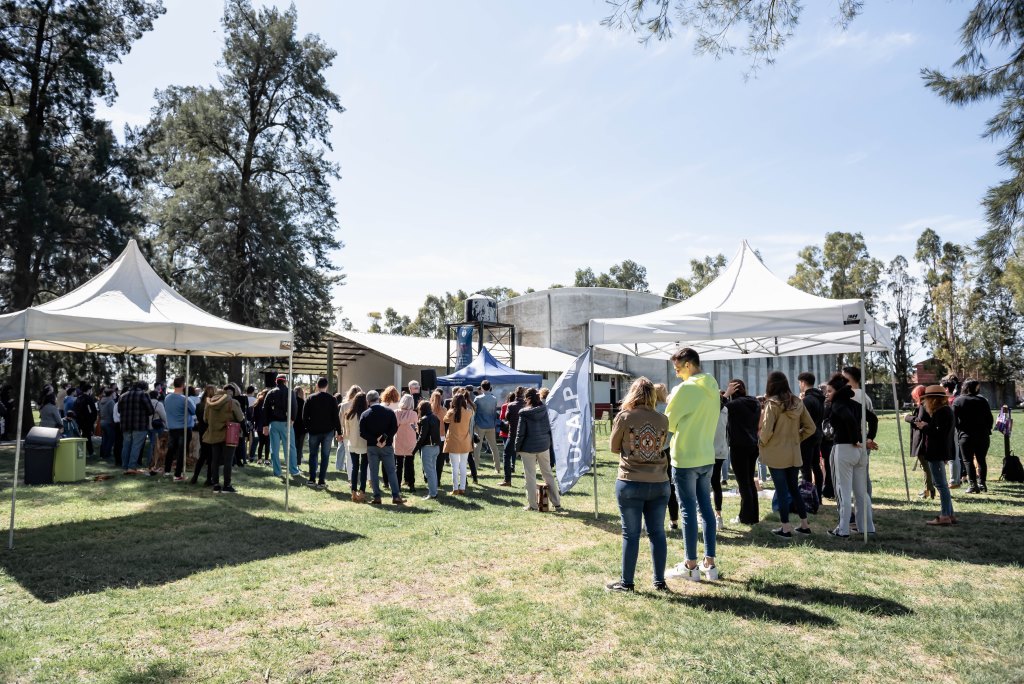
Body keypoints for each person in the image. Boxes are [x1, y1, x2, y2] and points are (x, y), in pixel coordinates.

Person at [605, 377, 670, 593]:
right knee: (657, 533)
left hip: (630, 481)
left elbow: (614, 447)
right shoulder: (663, 419)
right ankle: (659, 581)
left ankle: (627, 583)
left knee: (630, 534)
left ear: (632, 393)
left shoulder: (624, 416)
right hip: (659, 481)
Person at [663, 348, 721, 582]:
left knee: (687, 510)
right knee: (705, 510)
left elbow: (669, 422)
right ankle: (710, 563)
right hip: (706, 455)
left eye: (677, 369)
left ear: (688, 365)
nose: (676, 374)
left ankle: (690, 564)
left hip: (686, 456)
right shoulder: (712, 384)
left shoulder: (685, 389)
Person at [758, 371, 816, 538]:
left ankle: (785, 527)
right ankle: (804, 524)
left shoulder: (772, 404)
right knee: (794, 489)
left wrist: (761, 442)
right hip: (793, 452)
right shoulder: (798, 401)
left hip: (776, 453)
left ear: (771, 384)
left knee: (782, 491)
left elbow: (766, 431)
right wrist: (797, 437)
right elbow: (810, 428)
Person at [824, 373, 877, 538]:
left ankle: (843, 529)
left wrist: (855, 438)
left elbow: (848, 419)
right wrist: (868, 438)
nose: (827, 393)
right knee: (861, 492)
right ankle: (867, 527)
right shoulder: (855, 404)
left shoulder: (837, 405)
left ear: (837, 391)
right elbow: (873, 419)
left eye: (829, 390)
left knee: (843, 492)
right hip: (860, 451)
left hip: (844, 449)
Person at [515, 387, 562, 512]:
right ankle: (557, 503)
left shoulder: (524, 413)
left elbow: (520, 434)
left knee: (530, 476)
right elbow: (550, 428)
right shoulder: (545, 410)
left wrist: (517, 448)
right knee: (548, 474)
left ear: (528, 398)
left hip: (528, 448)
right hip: (543, 446)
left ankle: (532, 505)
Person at [918, 384, 957, 526]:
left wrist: (925, 427)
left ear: (933, 399)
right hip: (940, 451)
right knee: (941, 484)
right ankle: (950, 514)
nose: (925, 402)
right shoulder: (945, 411)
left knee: (941, 485)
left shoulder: (942, 412)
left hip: (937, 452)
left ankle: (945, 515)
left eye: (927, 399)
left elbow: (939, 434)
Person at [723, 379, 760, 525]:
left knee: (743, 484)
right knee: (749, 481)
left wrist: (726, 394)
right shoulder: (755, 402)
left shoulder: (735, 404)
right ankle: (751, 515)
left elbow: (718, 407)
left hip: (739, 446)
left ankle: (747, 518)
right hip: (752, 444)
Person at [359, 390, 405, 505]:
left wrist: (375, 440)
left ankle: (377, 497)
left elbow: (362, 432)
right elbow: (394, 427)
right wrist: (384, 438)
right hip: (387, 446)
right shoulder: (389, 412)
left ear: (368, 401)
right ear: (378, 398)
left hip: (372, 447)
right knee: (391, 471)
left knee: (374, 472)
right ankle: (396, 496)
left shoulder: (365, 414)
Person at [953, 379, 994, 494]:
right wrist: (987, 429)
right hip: (983, 435)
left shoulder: (958, 401)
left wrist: (958, 430)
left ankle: (973, 485)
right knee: (981, 460)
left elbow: (954, 420)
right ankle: (982, 484)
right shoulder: (982, 401)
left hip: (966, 435)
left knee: (968, 461)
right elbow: (989, 419)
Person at [204, 384, 245, 493]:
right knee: (228, 461)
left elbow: (205, 419)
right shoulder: (232, 402)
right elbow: (240, 418)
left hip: (214, 434)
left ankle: (216, 485)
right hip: (229, 434)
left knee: (215, 460)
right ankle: (227, 485)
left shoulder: (209, 403)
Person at [303, 377, 342, 490]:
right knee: (325, 456)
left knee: (313, 454)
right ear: (327, 386)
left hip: (314, 431)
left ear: (317, 385)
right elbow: (336, 417)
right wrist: (339, 432)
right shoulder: (332, 399)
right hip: (327, 432)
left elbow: (304, 416)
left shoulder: (310, 398)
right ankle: (321, 481)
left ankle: (311, 479)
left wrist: (308, 428)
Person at [264, 374, 302, 481]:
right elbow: (294, 406)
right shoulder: (290, 392)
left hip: (273, 423)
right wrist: (292, 418)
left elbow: (265, 409)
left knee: (274, 449)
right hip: (286, 422)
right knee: (290, 448)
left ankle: (277, 471)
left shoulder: (270, 392)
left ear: (276, 381)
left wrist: (265, 425)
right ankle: (293, 470)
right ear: (285, 381)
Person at [654, 384, 679, 532]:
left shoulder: (650, 410)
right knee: (670, 486)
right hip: (669, 449)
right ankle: (674, 520)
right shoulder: (670, 408)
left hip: (652, 451)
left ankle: (655, 520)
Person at [797, 371, 826, 498]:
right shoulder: (820, 398)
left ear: (803, 383)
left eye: (799, 383)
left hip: (807, 436)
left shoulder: (807, 400)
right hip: (817, 435)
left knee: (805, 468)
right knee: (816, 466)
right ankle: (818, 495)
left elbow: (801, 420)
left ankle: (808, 495)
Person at [118, 381, 154, 474]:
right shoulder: (143, 395)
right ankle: (131, 467)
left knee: (126, 446)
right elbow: (150, 410)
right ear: (144, 388)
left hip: (125, 425)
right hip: (140, 424)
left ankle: (125, 466)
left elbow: (119, 410)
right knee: (136, 446)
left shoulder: (123, 395)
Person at [904, 384, 934, 499]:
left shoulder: (923, 404)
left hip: (923, 440)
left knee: (926, 467)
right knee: (926, 467)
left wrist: (907, 417)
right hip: (927, 439)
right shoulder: (929, 403)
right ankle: (928, 489)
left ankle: (929, 489)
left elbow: (919, 420)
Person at [164, 376, 195, 481]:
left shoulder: (167, 398)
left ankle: (167, 471)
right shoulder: (185, 399)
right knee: (182, 452)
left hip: (172, 428)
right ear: (183, 385)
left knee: (171, 450)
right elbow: (193, 411)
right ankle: (177, 474)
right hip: (184, 429)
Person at [444, 392, 475, 496]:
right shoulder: (469, 412)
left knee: (454, 467)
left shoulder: (451, 412)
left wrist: (450, 408)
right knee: (463, 466)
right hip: (465, 442)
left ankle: (455, 488)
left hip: (453, 442)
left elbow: (445, 420)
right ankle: (462, 488)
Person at [412, 400, 441, 499]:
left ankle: (433, 493)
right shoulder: (435, 417)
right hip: (436, 447)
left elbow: (422, 437)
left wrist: (414, 450)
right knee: (432, 470)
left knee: (429, 472)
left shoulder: (424, 419)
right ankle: (434, 491)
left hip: (428, 448)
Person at [343, 392, 369, 502]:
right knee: (363, 468)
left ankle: (353, 491)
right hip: (364, 443)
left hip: (352, 443)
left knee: (355, 467)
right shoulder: (367, 414)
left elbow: (347, 431)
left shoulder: (349, 414)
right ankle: (362, 491)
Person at [473, 380, 501, 473]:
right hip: (491, 425)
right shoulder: (494, 398)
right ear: (490, 387)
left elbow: (474, 412)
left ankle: (475, 468)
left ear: (481, 387)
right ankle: (497, 468)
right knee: (494, 447)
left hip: (480, 425)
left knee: (477, 447)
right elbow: (494, 413)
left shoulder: (477, 398)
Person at [191, 385, 217, 485]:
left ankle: (195, 477)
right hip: (211, 431)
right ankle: (208, 479)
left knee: (203, 455)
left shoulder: (199, 405)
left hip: (202, 431)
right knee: (211, 456)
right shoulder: (213, 405)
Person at [501, 387, 526, 487]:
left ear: (516, 394)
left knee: (506, 455)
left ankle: (507, 480)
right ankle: (528, 482)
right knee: (527, 459)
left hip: (513, 434)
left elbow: (507, 417)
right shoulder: (527, 405)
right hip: (524, 435)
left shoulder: (511, 405)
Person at [393, 393, 419, 492]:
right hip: (410, 440)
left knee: (398, 464)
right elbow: (416, 427)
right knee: (410, 463)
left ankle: (397, 485)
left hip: (399, 439)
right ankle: (411, 484)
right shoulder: (413, 414)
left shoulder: (396, 412)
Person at [73, 384, 98, 458]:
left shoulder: (78, 398)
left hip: (79, 420)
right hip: (87, 421)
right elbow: (92, 410)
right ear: (89, 390)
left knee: (82, 436)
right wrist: (92, 419)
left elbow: (75, 409)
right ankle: (90, 451)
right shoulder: (88, 398)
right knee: (87, 436)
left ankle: (83, 451)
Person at [430, 389, 449, 482]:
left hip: (431, 436)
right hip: (441, 435)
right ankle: (438, 478)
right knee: (440, 459)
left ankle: (429, 477)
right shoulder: (444, 410)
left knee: (430, 459)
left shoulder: (429, 409)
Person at [251, 389, 270, 465]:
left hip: (259, 425)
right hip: (267, 425)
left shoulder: (258, 402)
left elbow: (254, 416)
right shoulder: (268, 403)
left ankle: (259, 459)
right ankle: (266, 459)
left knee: (261, 443)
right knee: (267, 443)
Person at [98, 388, 116, 461]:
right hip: (109, 422)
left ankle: (102, 454)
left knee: (104, 439)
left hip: (102, 421)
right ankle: (107, 454)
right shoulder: (111, 402)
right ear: (111, 394)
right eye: (114, 393)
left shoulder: (101, 401)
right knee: (110, 439)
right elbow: (112, 413)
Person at [294, 387, 307, 467]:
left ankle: (293, 462)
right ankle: (298, 463)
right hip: (302, 427)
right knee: (299, 446)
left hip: (294, 426)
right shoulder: (303, 402)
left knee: (293, 446)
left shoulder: (292, 402)